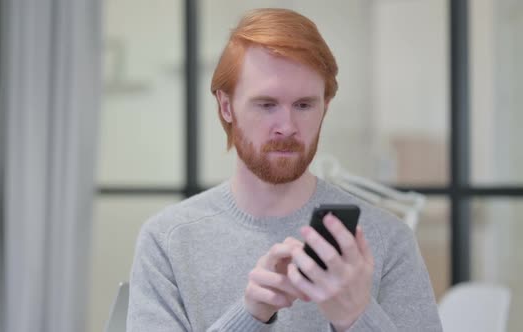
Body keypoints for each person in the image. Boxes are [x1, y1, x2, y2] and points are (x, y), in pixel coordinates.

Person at [127, 8, 442, 332]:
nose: (287, 127)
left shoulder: (386, 240)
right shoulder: (168, 241)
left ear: (325, 108)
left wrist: (356, 316)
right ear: (226, 106)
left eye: (304, 105)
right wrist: (249, 315)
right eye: (266, 105)